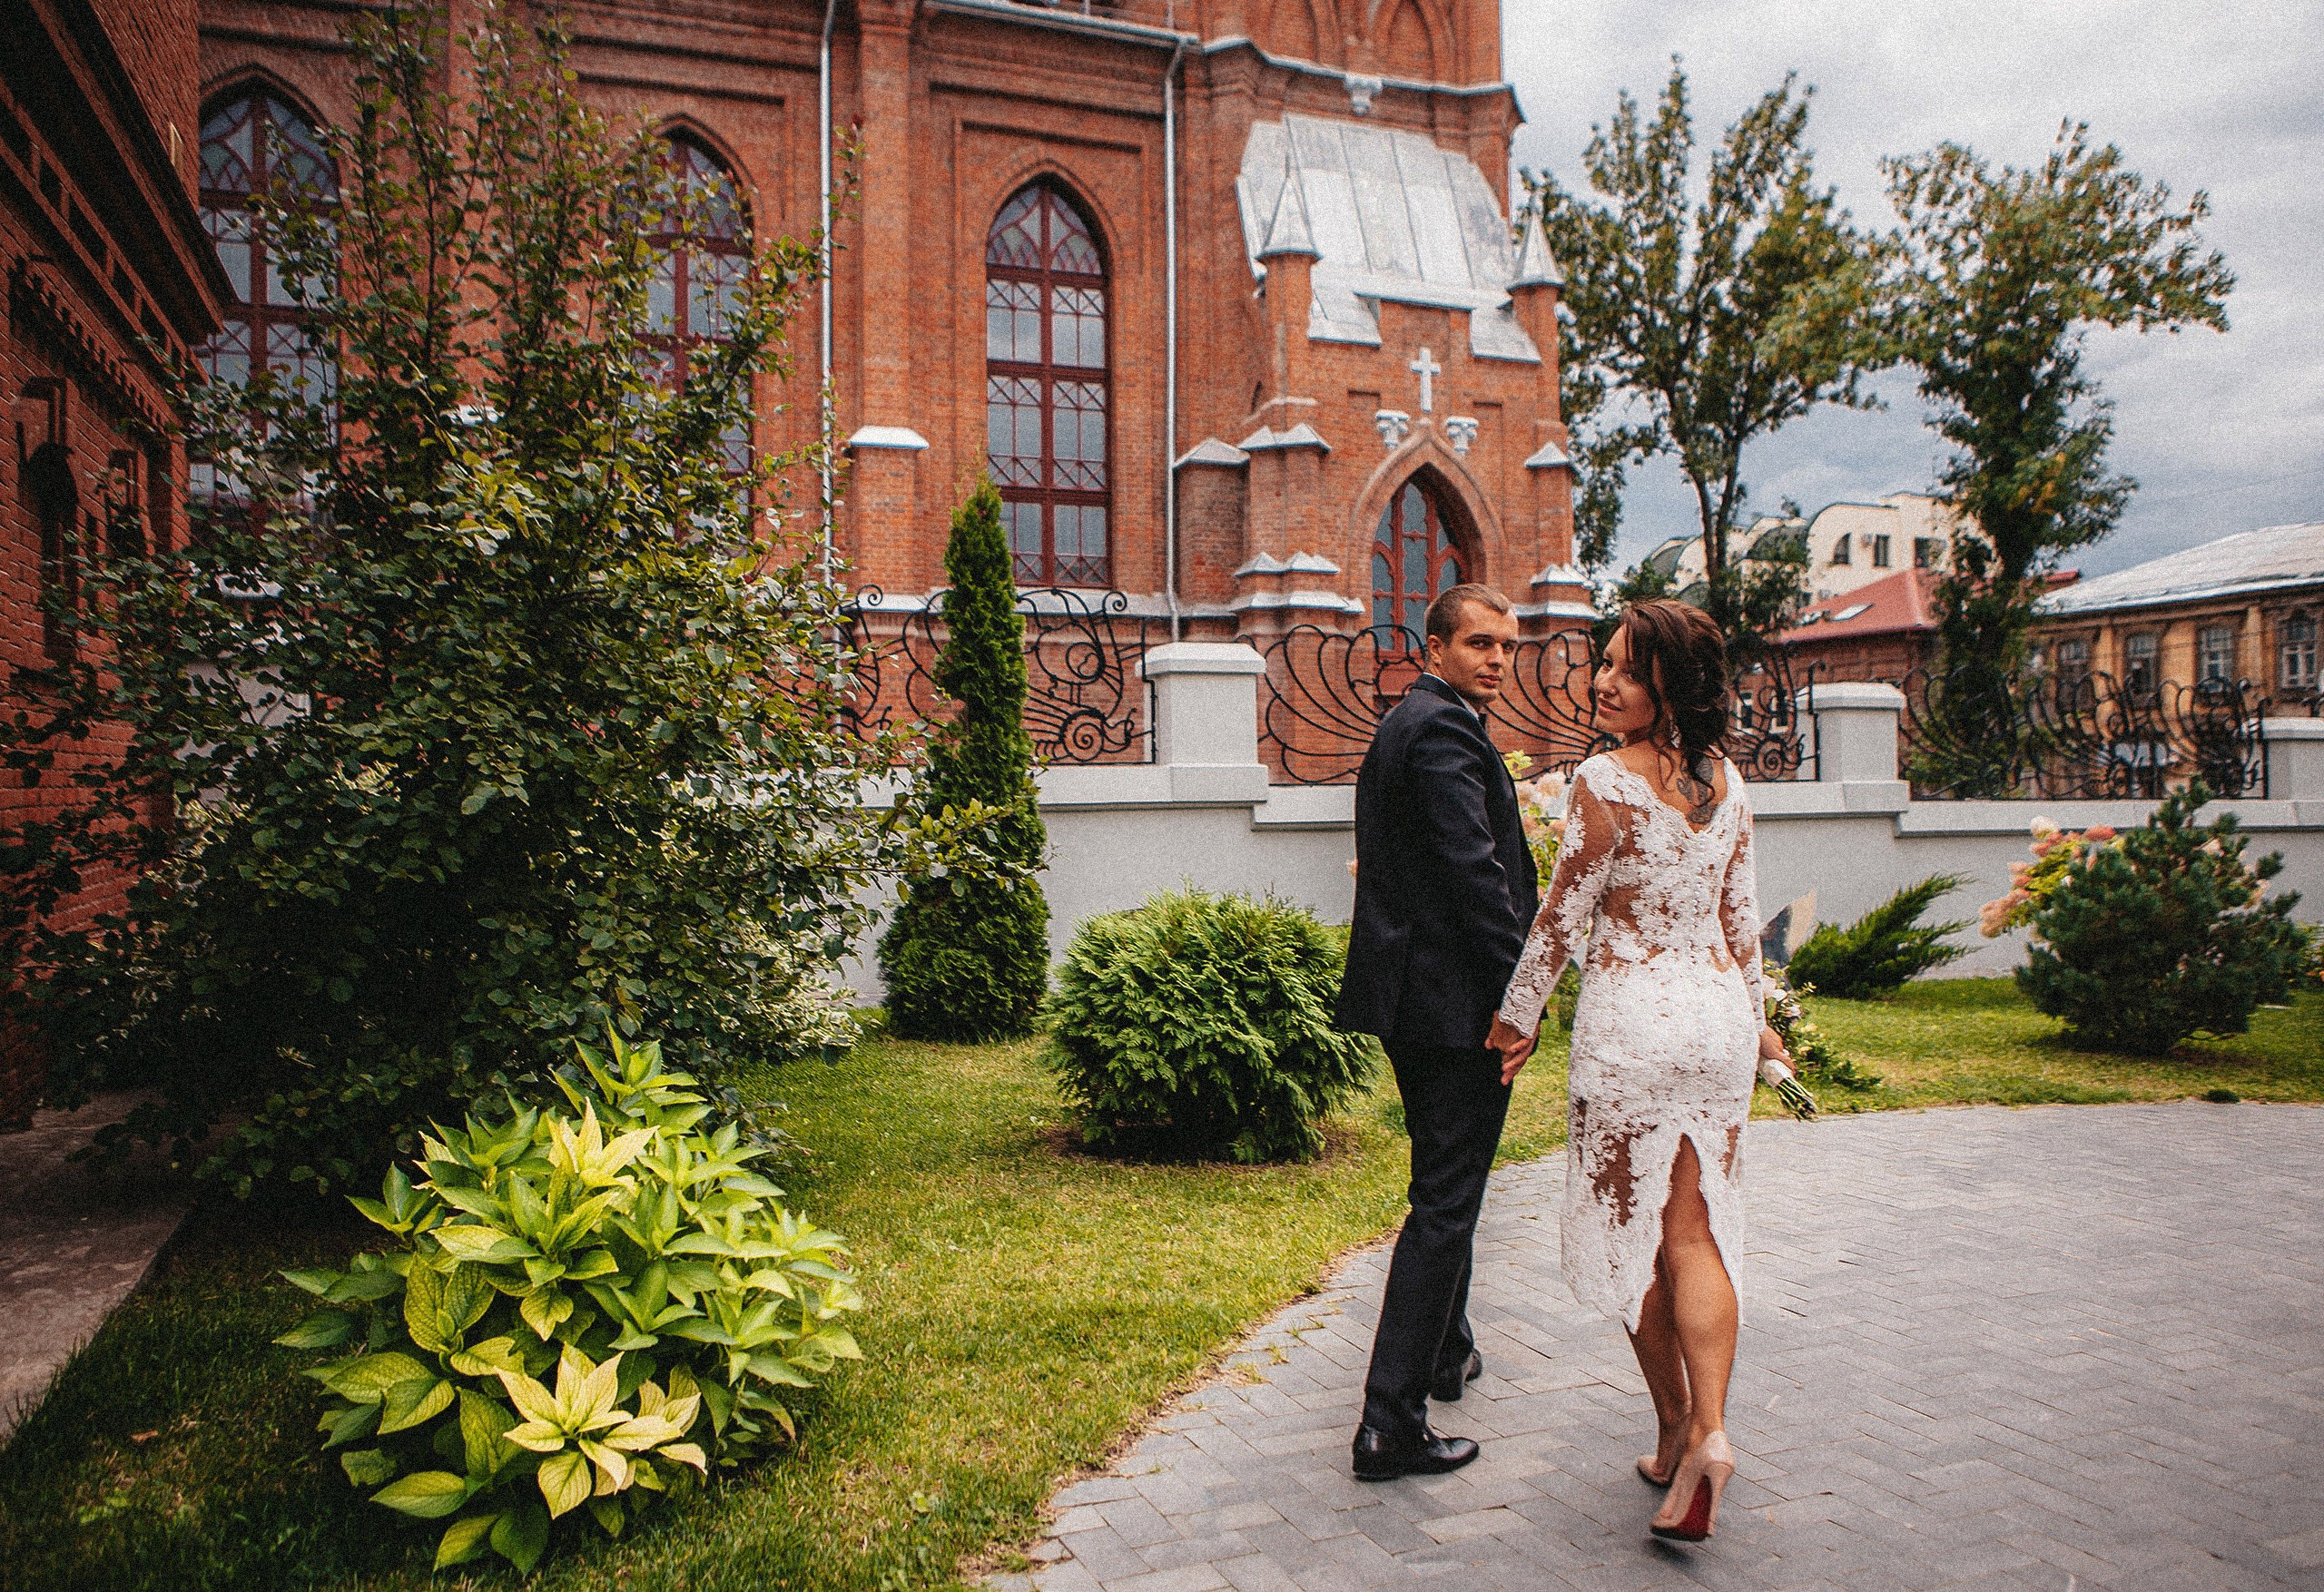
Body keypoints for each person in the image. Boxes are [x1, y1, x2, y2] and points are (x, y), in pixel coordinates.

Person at [1486, 598, 1799, 1542]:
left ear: (1670, 681)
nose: (1601, 681)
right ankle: (1701, 1433)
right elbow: (1741, 927)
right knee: (1694, 1233)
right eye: (1604, 663)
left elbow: (1559, 915)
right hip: (1712, 1026)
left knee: (1635, 1239)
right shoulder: (1729, 783)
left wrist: (1513, 1019)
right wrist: (1763, 1032)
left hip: (1631, 1030)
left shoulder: (1602, 780)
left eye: (1624, 667)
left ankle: (1677, 1424)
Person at [1334, 582, 1538, 1481]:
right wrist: (1517, 1000)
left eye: (1507, 646)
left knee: (1441, 1183)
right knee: (1446, 1202)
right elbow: (1473, 874)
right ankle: (1390, 1421)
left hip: (1415, 999)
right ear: (1438, 645)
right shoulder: (1445, 729)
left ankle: (1445, 1353)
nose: (1497, 658)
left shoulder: (1410, 720)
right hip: (1455, 1006)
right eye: (1481, 643)